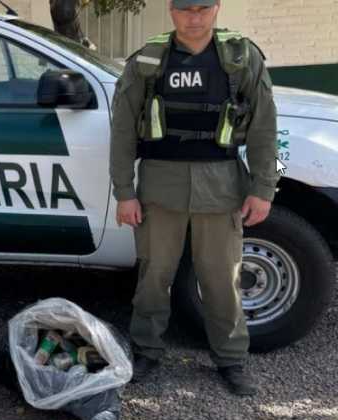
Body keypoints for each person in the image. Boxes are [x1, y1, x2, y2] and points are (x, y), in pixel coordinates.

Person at [109, 0, 279, 396]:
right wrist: (124, 193)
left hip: (221, 189)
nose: (195, 17)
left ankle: (231, 359)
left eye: (203, 7)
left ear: (217, 8)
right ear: (172, 11)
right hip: (160, 188)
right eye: (186, 9)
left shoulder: (242, 57)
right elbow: (121, 132)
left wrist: (263, 189)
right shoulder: (148, 60)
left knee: (222, 280)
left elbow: (263, 129)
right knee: (154, 277)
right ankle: (147, 350)